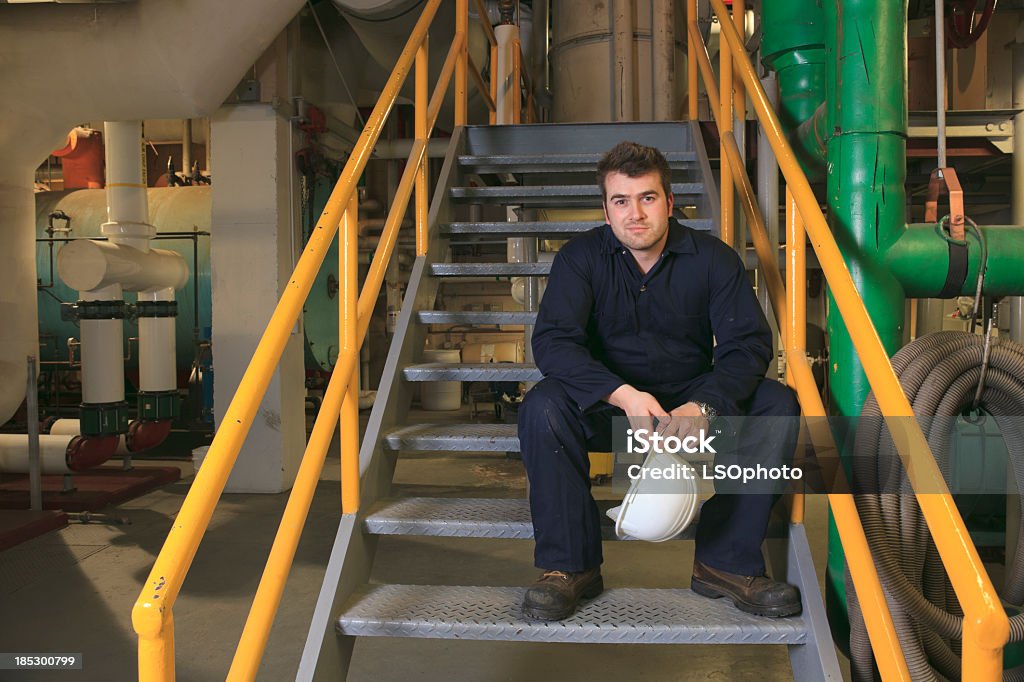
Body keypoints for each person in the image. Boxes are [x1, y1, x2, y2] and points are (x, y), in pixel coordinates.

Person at [517, 140, 802, 621]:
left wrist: (705, 406)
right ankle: (570, 566)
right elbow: (554, 343)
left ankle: (724, 562)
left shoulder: (713, 259)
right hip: (612, 404)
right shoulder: (579, 259)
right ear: (606, 211)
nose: (635, 214)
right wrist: (624, 395)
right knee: (542, 407)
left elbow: (748, 345)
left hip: (691, 407)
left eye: (647, 198)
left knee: (777, 404)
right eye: (621, 201)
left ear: (670, 203)